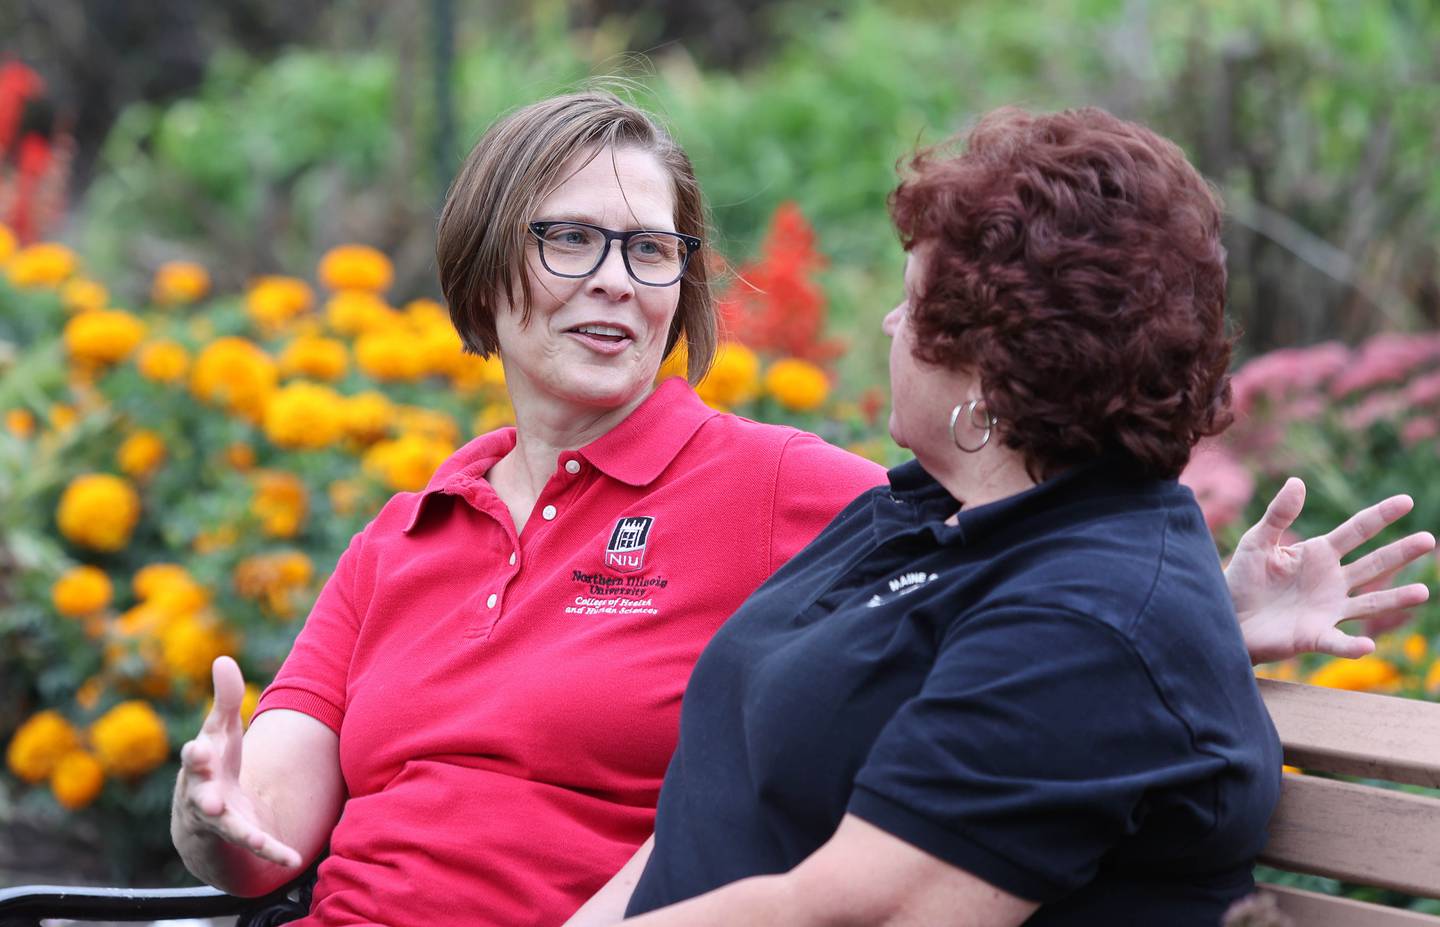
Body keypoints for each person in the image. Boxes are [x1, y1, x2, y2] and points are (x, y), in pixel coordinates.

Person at [170, 93, 1432, 927]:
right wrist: (218, 821)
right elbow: (987, 595)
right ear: (487, 270)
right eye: (571, 243)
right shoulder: (901, 521)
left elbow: (1061, 608)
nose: (615, 282)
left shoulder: (792, 493)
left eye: (650, 249)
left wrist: (1206, 613)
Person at [565, 107, 1434, 927]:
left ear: (986, 373)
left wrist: (1185, 633)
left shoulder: (1089, 621)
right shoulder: (923, 516)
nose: (886, 320)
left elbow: (860, 912)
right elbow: (709, 807)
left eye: (910, 302)